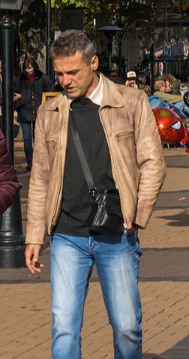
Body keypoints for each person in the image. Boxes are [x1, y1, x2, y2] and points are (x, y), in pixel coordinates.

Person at [25, 30, 166, 358]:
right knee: (64, 327)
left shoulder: (131, 102)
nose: (65, 81)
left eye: (73, 72)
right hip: (66, 235)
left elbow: (153, 164)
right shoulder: (50, 112)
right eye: (60, 73)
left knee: (127, 327)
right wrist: (34, 236)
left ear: (93, 63)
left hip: (116, 233)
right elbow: (40, 177)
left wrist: (136, 218)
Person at [14, 57, 56, 169]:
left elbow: (51, 89)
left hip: (38, 112)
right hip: (24, 111)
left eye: (30, 68)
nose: (28, 71)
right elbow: (15, 94)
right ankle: (30, 163)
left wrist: (44, 101)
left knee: (38, 139)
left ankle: (38, 162)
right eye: (26, 68)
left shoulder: (42, 77)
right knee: (27, 139)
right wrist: (19, 104)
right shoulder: (21, 78)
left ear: (34, 67)